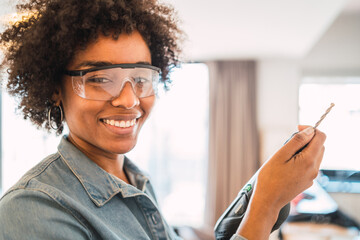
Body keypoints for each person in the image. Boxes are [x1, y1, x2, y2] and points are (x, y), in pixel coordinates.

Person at [0, 0, 326, 239]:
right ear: (56, 88)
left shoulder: (135, 182)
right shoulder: (33, 209)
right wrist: (265, 205)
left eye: (141, 77)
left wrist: (267, 189)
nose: (129, 100)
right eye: (100, 78)